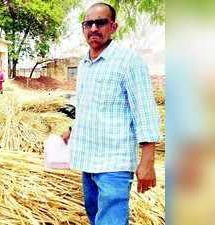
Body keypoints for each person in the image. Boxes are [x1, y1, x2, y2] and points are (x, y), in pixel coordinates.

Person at [62, 3, 160, 225]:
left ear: (113, 27)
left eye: (101, 22)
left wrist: (147, 162)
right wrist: (71, 131)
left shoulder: (129, 62)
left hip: (114, 164)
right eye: (88, 23)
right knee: (95, 217)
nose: (94, 28)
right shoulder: (85, 64)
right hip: (88, 159)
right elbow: (89, 107)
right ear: (83, 29)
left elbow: (145, 112)